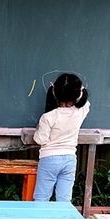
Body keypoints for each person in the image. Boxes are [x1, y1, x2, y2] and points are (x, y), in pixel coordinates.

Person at [33, 73, 90, 202]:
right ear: (78, 94)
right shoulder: (80, 112)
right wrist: (81, 91)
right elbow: (86, 103)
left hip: (49, 159)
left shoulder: (48, 117)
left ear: (55, 92)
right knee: (64, 199)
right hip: (70, 158)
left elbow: (40, 140)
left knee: (42, 197)